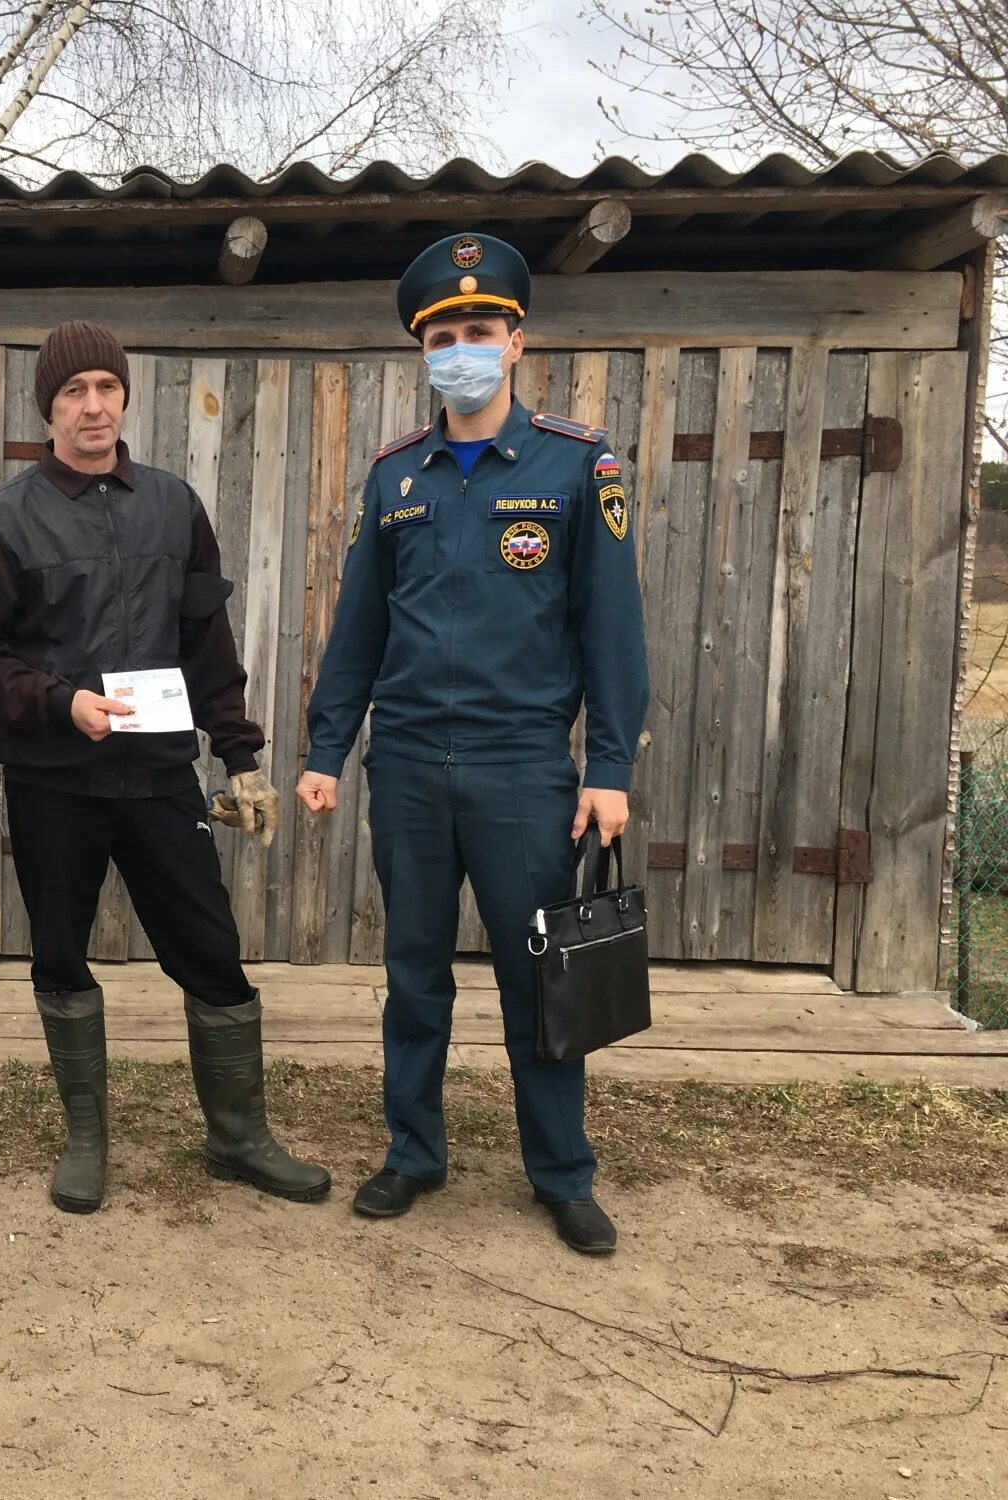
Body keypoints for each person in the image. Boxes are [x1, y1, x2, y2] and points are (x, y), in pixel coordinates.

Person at [298, 233, 649, 1255]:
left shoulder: (577, 466)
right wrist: (326, 749)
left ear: (513, 342)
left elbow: (610, 630)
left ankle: (560, 1172)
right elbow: (357, 627)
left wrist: (610, 769)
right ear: (423, 351)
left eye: (478, 330)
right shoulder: (393, 479)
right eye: (442, 333)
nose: (461, 345)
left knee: (539, 979)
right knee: (412, 974)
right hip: (405, 765)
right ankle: (412, 1154)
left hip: (520, 773)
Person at [0, 321, 330, 1215]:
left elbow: (207, 641)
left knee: (212, 954)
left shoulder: (172, 505)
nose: (92, 407)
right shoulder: (5, 517)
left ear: (124, 397)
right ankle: (86, 1137)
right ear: (50, 409)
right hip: (52, 781)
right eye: (73, 392)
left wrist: (239, 757)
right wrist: (56, 702)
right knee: (61, 958)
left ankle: (239, 1136)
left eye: (105, 388)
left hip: (160, 779)